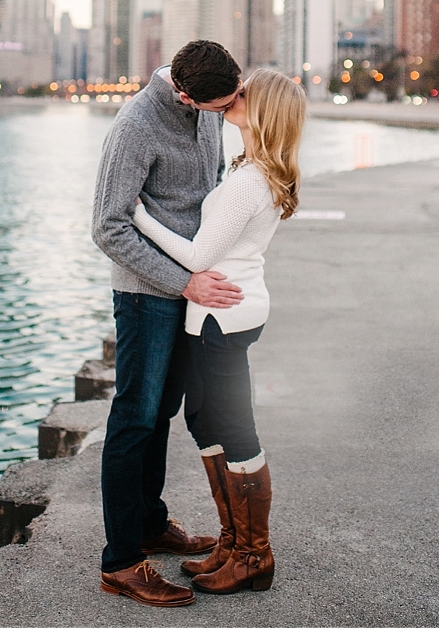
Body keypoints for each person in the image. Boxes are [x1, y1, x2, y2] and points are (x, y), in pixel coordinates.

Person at [132, 67, 306, 594]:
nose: (236, 95)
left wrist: (137, 214)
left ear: (263, 112)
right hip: (230, 310)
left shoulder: (251, 180)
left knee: (232, 427)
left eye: (247, 93)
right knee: (204, 418)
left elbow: (199, 255)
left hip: (222, 317)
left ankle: (255, 554)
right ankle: (233, 542)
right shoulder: (253, 168)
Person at [93, 40, 245, 608]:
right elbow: (107, 226)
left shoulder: (207, 105)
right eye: (223, 106)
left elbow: (207, 191)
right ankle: (121, 562)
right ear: (185, 95)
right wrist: (183, 282)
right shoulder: (135, 124)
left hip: (190, 288)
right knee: (134, 415)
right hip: (146, 297)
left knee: (163, 412)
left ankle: (150, 524)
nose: (230, 112)